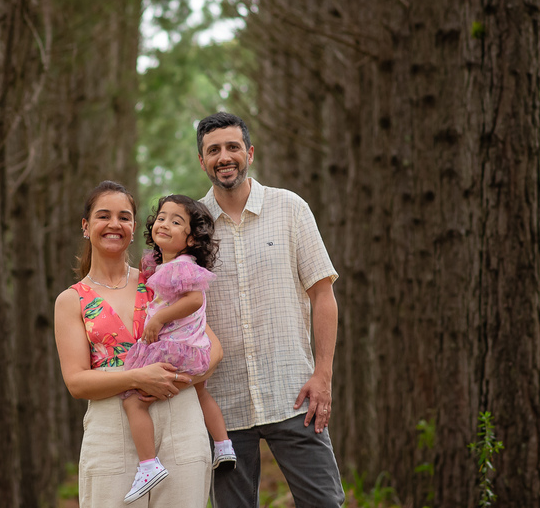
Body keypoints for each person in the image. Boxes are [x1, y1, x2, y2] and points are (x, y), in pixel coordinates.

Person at [196, 112, 344, 507]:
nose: (224, 157)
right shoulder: (194, 225)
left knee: (324, 503)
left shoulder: (290, 208)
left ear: (250, 152)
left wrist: (323, 374)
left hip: (294, 393)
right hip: (222, 404)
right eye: (214, 150)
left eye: (232, 147)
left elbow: (323, 295)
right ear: (202, 161)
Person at [54, 180, 221, 508]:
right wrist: (137, 378)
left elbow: (212, 347)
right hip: (112, 425)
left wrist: (176, 380)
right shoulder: (71, 299)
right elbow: (76, 382)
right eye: (104, 216)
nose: (114, 224)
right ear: (86, 227)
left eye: (124, 217)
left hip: (179, 419)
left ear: (133, 228)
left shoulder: (160, 279)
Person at [119, 195, 235, 503]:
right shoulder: (163, 265)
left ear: (192, 238)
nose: (165, 224)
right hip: (194, 350)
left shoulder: (181, 266)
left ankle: (148, 464)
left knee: (132, 400)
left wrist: (158, 318)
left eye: (176, 221)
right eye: (162, 218)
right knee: (201, 392)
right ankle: (223, 445)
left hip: (175, 351)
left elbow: (195, 300)